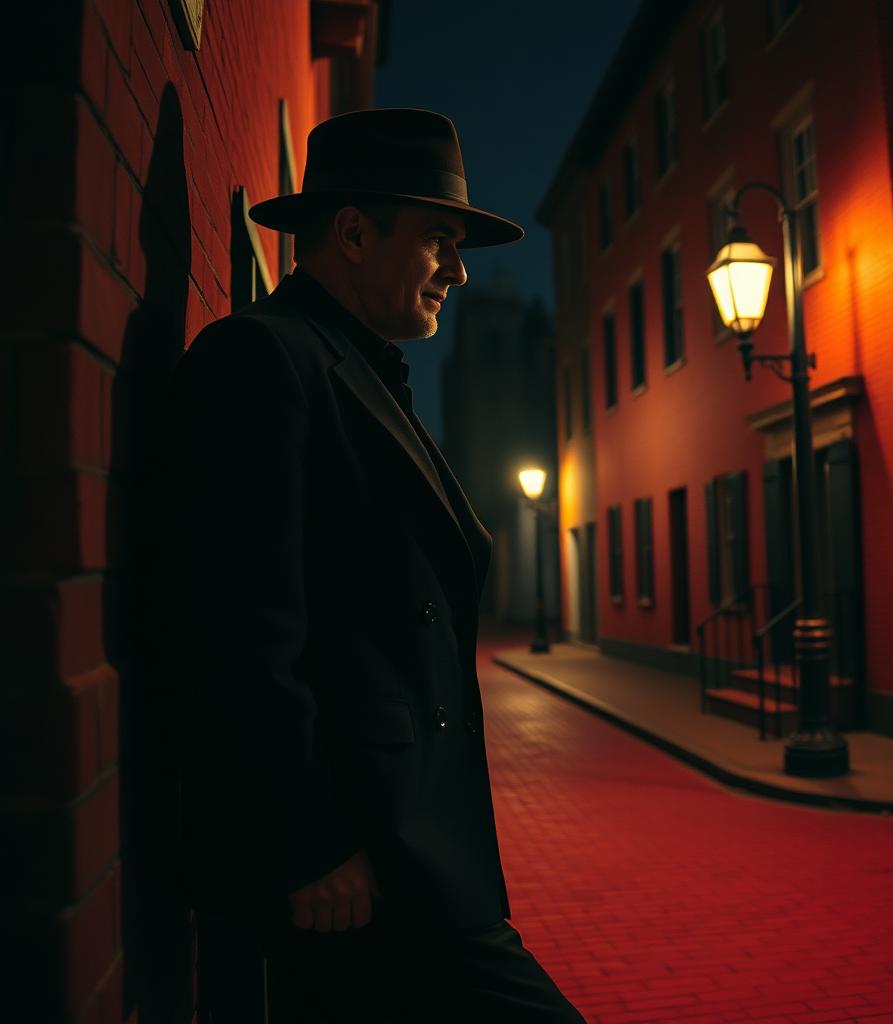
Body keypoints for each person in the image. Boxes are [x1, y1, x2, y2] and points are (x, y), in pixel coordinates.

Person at [168, 108, 586, 1022]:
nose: (461, 269)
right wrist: (307, 839)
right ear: (353, 232)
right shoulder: (264, 359)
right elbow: (239, 629)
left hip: (407, 854)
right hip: (356, 863)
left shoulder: (355, 367)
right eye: (439, 238)